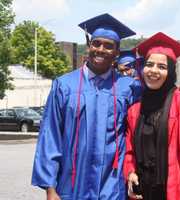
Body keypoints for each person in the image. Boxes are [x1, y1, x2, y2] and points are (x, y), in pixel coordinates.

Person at [32, 13, 141, 200]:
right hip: (72, 184)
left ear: (116, 53)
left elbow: (139, 132)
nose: (101, 49)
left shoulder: (128, 87)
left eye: (109, 46)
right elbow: (50, 136)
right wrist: (50, 188)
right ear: (89, 46)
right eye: (96, 43)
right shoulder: (64, 86)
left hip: (113, 185)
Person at [123, 32, 180, 200]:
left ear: (171, 72)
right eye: (149, 64)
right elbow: (129, 151)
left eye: (162, 67)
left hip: (174, 190)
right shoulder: (135, 111)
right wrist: (129, 171)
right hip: (143, 192)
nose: (153, 71)